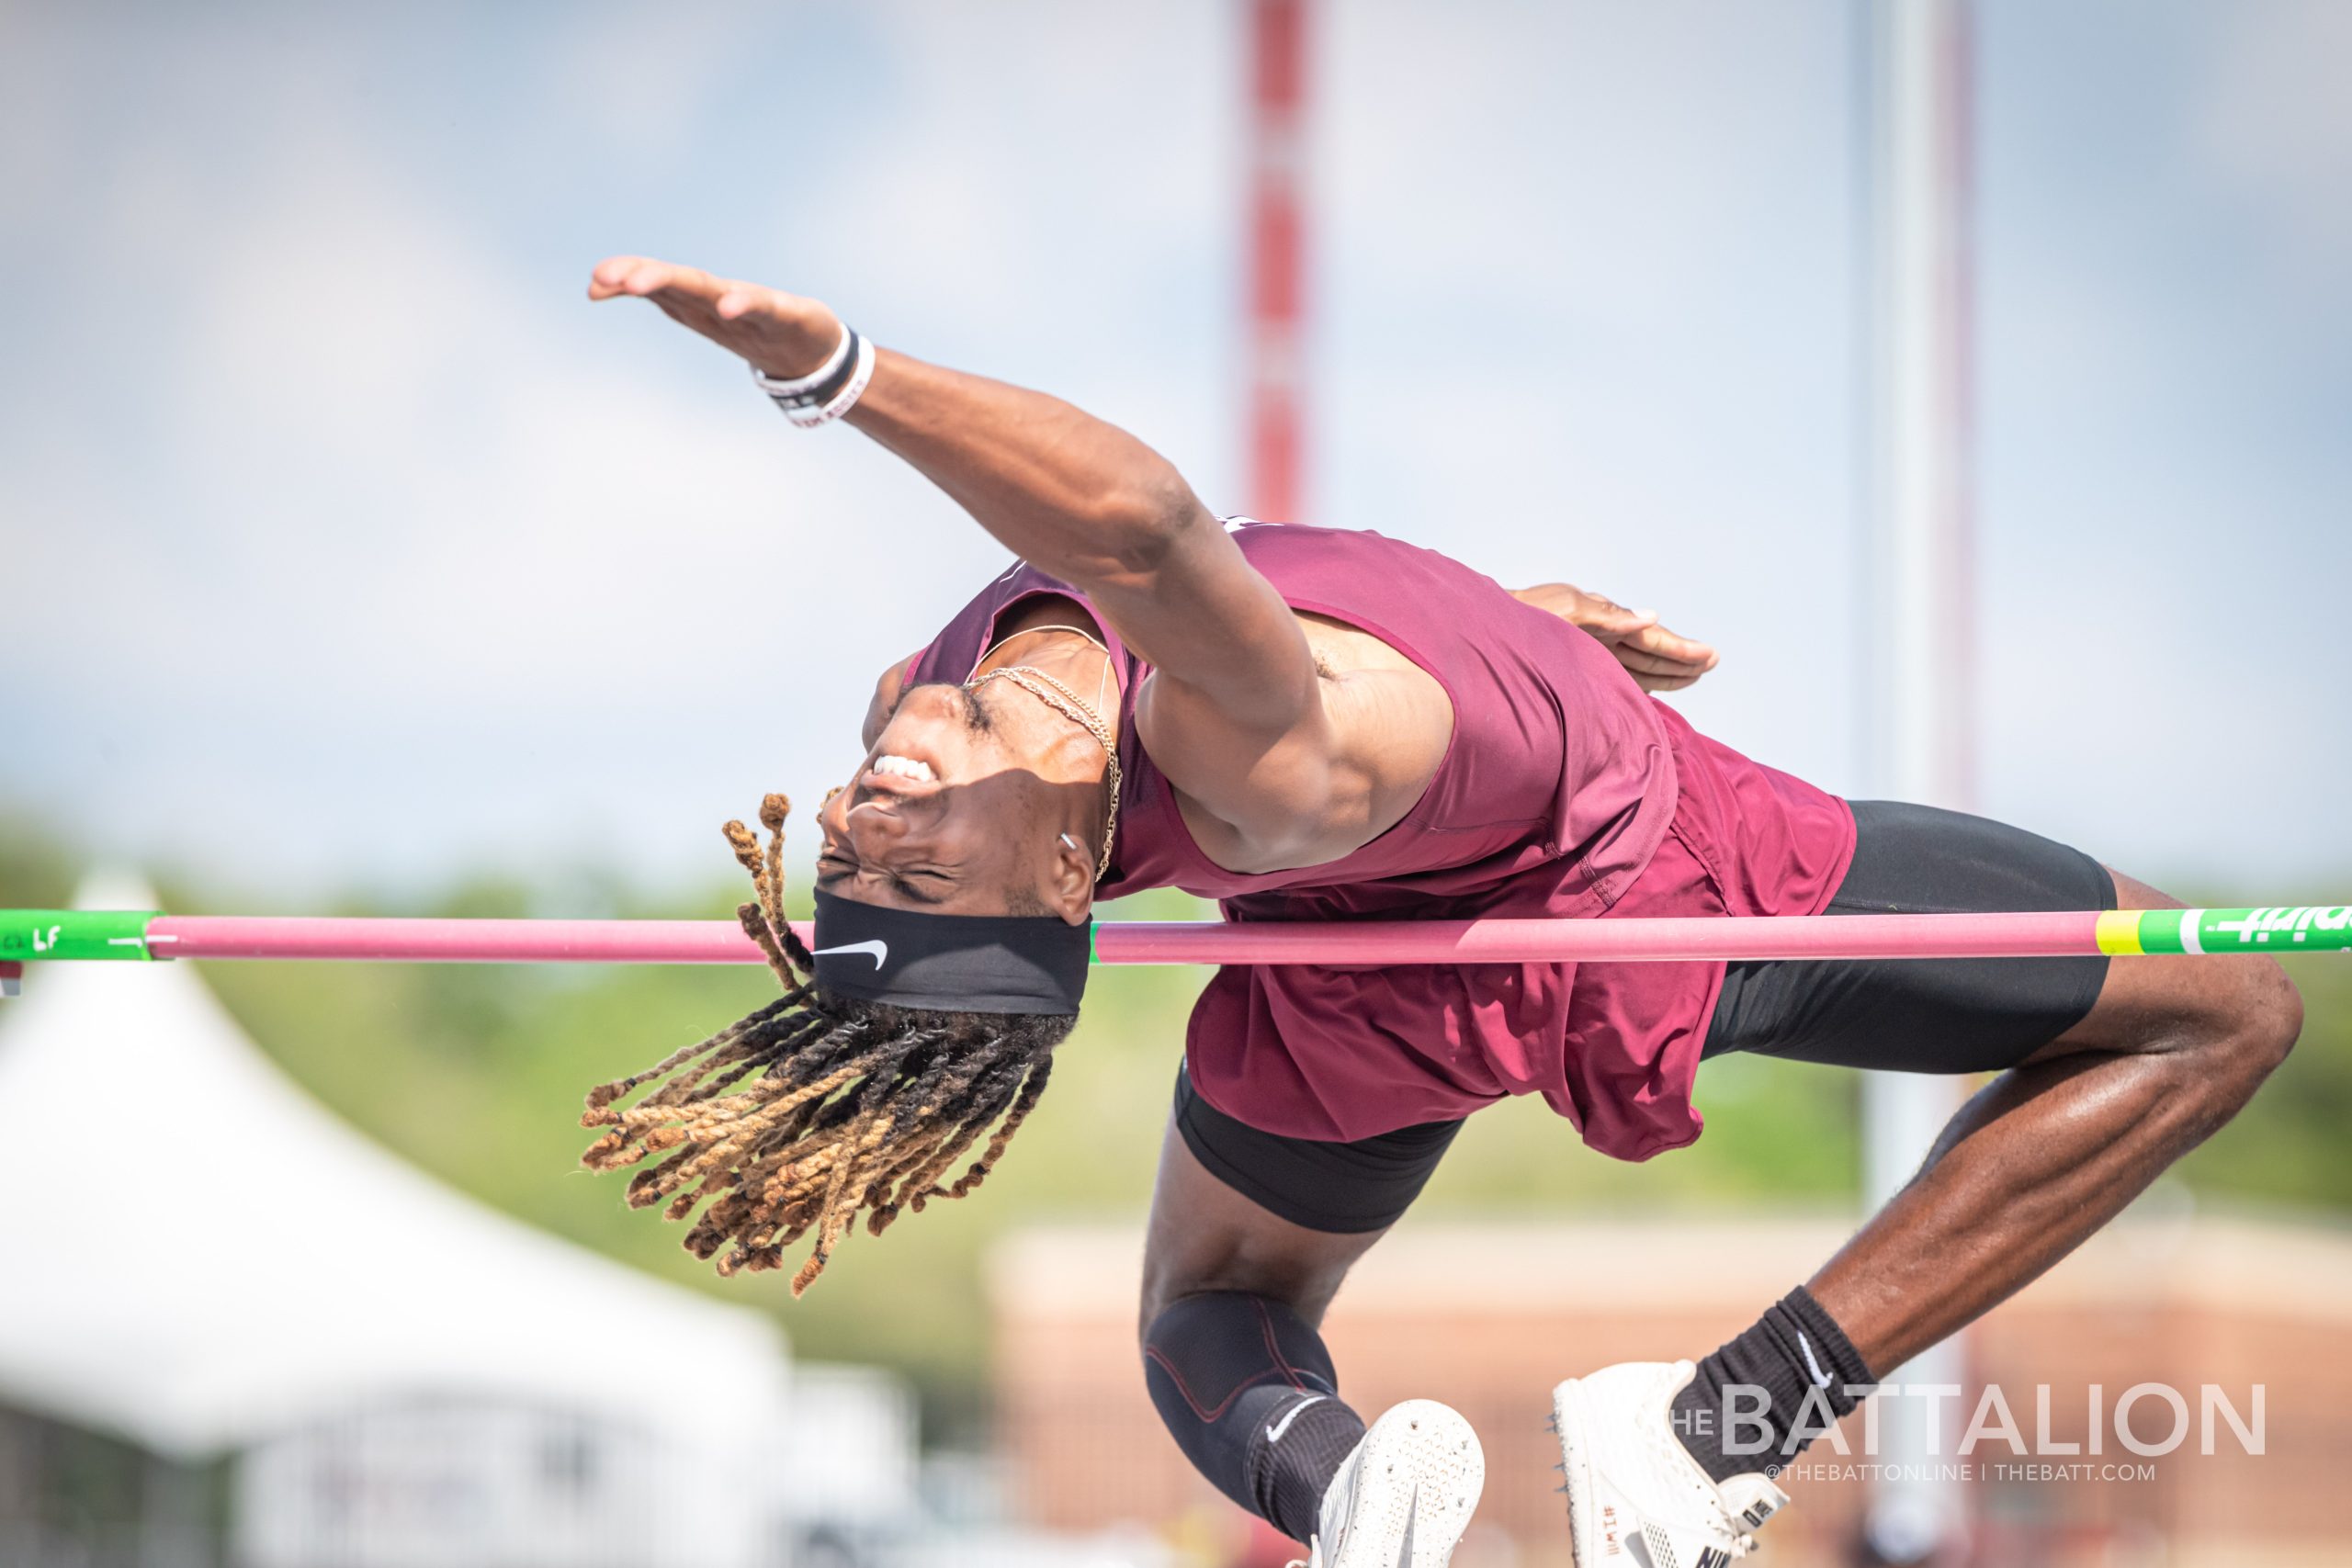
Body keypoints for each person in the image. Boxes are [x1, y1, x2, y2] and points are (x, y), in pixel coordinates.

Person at [578, 256, 2302, 1568]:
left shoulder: (924, 701)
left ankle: (1354, 1497)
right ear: (1062, 880)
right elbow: (1158, 530)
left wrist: (1500, 632)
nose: (875, 813)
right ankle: (1723, 1428)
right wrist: (835, 370)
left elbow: (1261, 595)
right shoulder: (1226, 744)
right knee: (2222, 1010)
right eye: (923, 866)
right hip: (1640, 884)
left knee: (1210, 1302)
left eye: (856, 860)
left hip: (1351, 964)